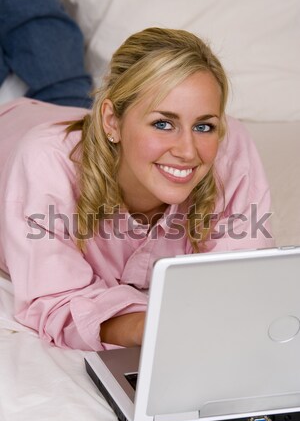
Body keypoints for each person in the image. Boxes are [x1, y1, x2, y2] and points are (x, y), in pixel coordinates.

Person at [0, 27, 274, 351]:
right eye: (163, 123)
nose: (188, 150)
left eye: (203, 126)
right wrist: (152, 328)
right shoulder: (46, 166)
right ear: (112, 121)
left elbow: (241, 282)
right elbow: (57, 302)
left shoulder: (230, 149)